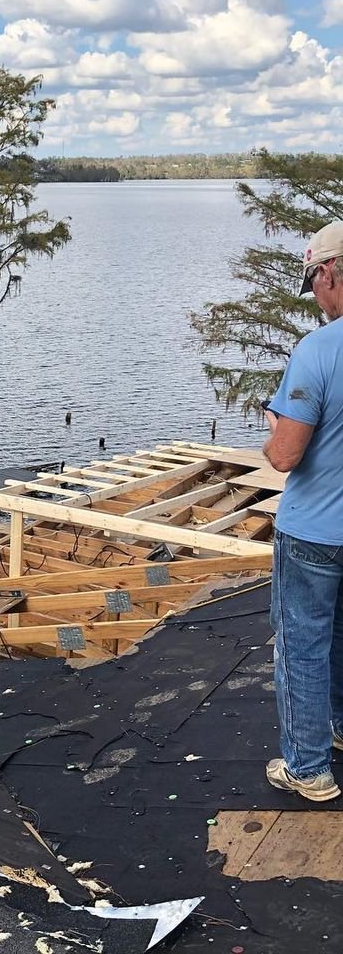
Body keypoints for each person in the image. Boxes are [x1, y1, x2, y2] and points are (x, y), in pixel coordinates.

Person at [264, 219, 343, 802]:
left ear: (331, 272)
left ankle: (308, 768)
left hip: (315, 532)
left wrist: (274, 430)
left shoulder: (318, 350)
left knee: (303, 644)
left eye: (314, 279)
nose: (316, 293)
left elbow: (286, 456)